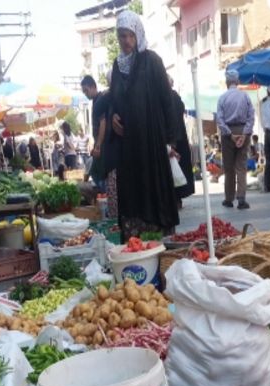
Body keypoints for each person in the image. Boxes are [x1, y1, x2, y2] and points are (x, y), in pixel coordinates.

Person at [109, 10, 179, 238]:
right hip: (128, 146)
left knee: (154, 187)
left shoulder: (152, 61)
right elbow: (113, 99)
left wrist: (170, 140)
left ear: (138, 34)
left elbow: (167, 102)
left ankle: (161, 239)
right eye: (122, 36)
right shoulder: (117, 67)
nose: (126, 41)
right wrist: (112, 116)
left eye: (130, 35)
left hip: (152, 140)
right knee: (133, 191)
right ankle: (134, 240)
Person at [215, 69, 254, 210]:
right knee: (241, 167)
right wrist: (244, 134)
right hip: (243, 130)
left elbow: (219, 119)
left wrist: (230, 134)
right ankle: (242, 199)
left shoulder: (222, 98)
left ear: (227, 82)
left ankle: (229, 199)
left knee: (229, 167)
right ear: (237, 82)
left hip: (228, 134)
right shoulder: (245, 97)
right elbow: (251, 117)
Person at [169, 76, 195, 208]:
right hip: (180, 138)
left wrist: (171, 143)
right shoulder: (176, 97)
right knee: (178, 169)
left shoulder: (168, 97)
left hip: (173, 139)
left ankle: (175, 199)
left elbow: (171, 120)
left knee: (174, 169)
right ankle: (178, 199)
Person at [82, 75, 105, 185]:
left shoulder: (100, 100)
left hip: (103, 147)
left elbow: (103, 123)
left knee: (99, 176)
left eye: (86, 90)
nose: (85, 94)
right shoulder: (95, 101)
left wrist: (98, 146)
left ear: (93, 87)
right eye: (84, 92)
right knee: (95, 174)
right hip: (100, 144)